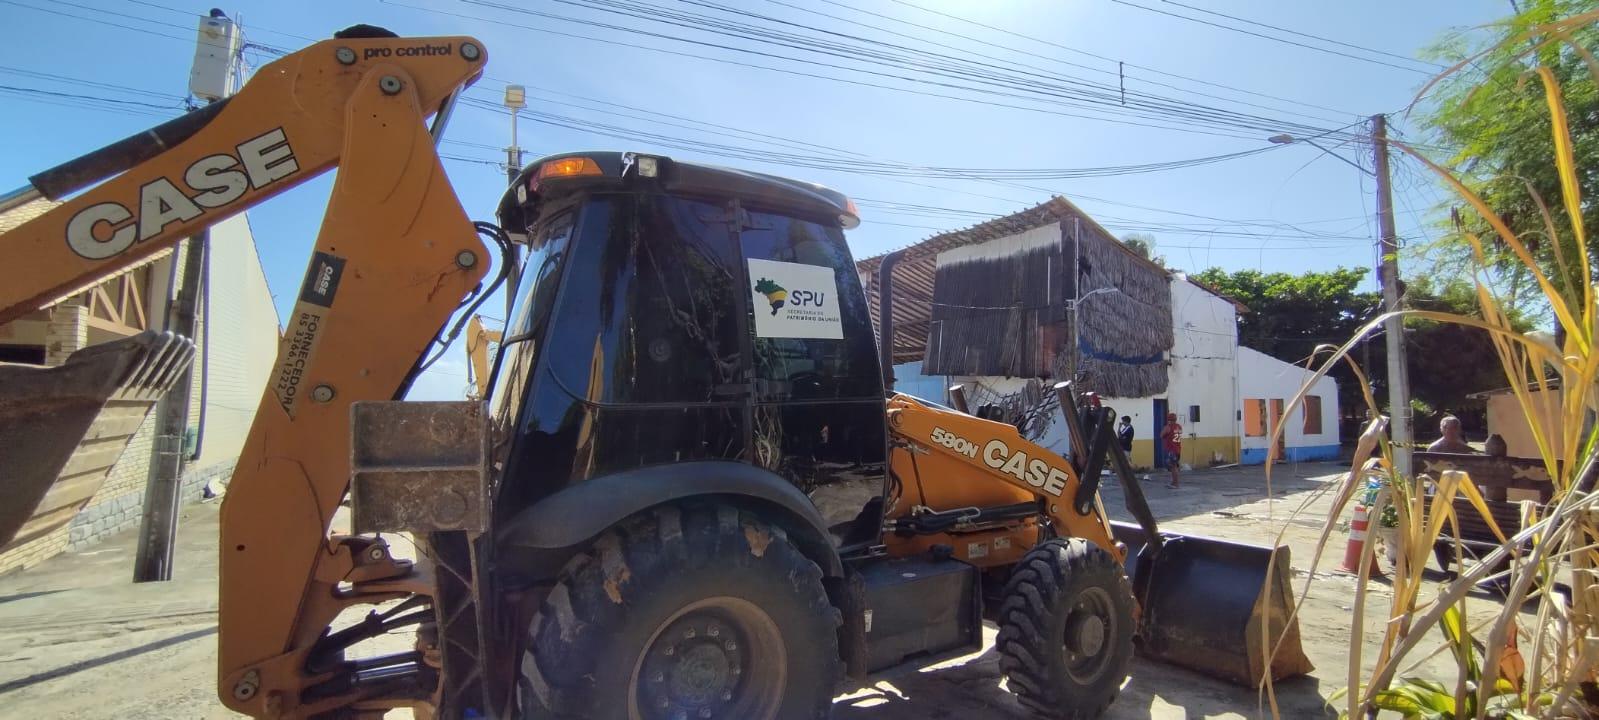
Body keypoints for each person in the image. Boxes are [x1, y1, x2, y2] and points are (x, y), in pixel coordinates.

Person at [1160, 412, 1183, 488]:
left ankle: (1176, 484)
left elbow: (1161, 435)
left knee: (1173, 467)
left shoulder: (1168, 427)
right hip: (1177, 448)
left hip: (1172, 449)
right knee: (1173, 466)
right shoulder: (1179, 427)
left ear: (1169, 419)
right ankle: (1173, 482)